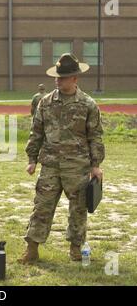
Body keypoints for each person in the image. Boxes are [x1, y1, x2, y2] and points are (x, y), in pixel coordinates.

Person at [20, 53, 105, 264]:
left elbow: (95, 136)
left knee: (78, 208)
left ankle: (75, 248)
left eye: (63, 77)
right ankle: (32, 249)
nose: (58, 81)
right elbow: (36, 132)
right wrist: (32, 159)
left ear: (75, 78)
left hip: (77, 166)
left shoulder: (88, 104)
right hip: (50, 165)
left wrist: (96, 166)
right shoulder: (45, 103)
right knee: (41, 206)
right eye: (57, 77)